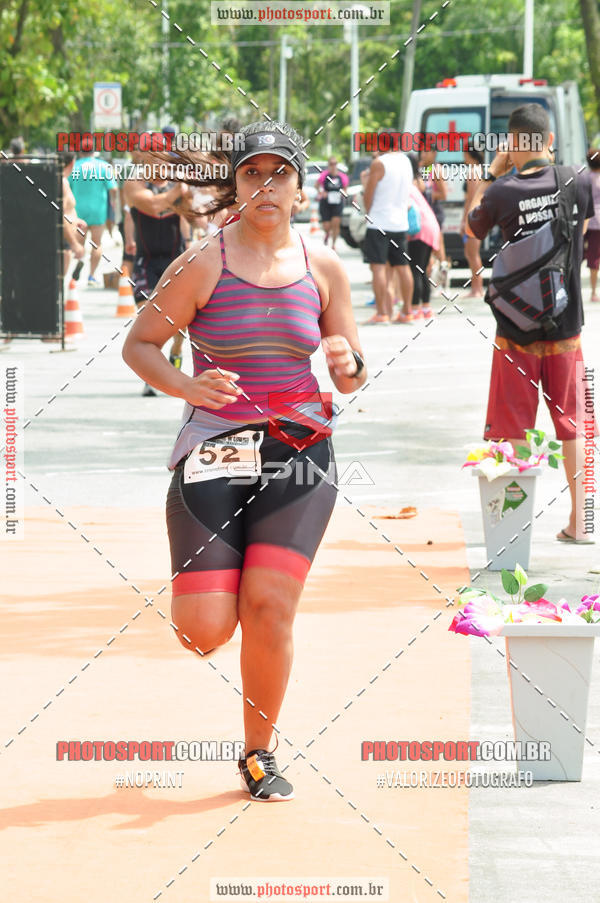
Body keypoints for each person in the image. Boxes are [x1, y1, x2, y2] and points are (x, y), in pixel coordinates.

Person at [122, 120, 367, 801]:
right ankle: (210, 586)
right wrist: (186, 384)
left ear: (298, 186)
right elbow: (140, 344)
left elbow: (349, 369)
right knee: (203, 630)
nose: (267, 185)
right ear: (237, 182)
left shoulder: (324, 268)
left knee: (269, 606)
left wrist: (349, 363)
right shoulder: (204, 263)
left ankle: (259, 752)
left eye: (280, 173)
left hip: (300, 451)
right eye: (254, 172)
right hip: (215, 450)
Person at [467, 102, 596, 543]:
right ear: (551, 141)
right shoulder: (576, 180)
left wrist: (494, 171)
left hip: (514, 333)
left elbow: (472, 230)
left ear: (512, 144)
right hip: (566, 328)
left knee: (509, 430)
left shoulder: (501, 192)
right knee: (573, 425)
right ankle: (582, 522)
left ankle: (508, 532)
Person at [122, 153, 191, 394]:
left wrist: (191, 236)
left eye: (163, 161)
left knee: (179, 323)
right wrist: (177, 192)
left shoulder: (179, 186)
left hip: (175, 260)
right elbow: (150, 205)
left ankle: (176, 352)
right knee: (146, 316)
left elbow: (191, 214)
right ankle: (151, 375)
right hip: (145, 261)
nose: (159, 166)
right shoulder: (134, 184)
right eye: (153, 161)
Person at [362, 134, 414, 324]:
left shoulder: (379, 163)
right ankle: (407, 311)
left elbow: (369, 192)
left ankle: (382, 313)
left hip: (379, 222)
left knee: (378, 268)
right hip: (400, 222)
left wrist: (367, 210)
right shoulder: (406, 161)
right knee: (403, 267)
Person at [69, 137, 117, 286]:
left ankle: (77, 269)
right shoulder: (103, 166)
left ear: (80, 151)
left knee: (79, 244)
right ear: (93, 151)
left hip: (78, 211)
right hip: (98, 210)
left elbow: (66, 187)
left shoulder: (74, 167)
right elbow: (113, 189)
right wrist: (113, 203)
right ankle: (91, 276)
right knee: (97, 244)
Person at [405, 155, 441, 322]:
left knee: (415, 270)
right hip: (430, 226)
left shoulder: (407, 184)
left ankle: (415, 308)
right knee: (422, 269)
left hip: (420, 229)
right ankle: (426, 307)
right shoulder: (418, 181)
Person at [461, 142, 485, 298]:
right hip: (478, 215)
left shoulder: (473, 172)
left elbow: (471, 198)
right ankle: (476, 286)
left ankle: (477, 288)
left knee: (472, 253)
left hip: (473, 215)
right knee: (471, 253)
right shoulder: (480, 170)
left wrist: (465, 220)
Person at [317, 157, 349, 250]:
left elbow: (345, 189)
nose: (333, 166)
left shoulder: (342, 176)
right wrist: (321, 193)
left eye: (335, 163)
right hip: (326, 203)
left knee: (336, 223)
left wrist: (342, 194)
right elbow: (317, 186)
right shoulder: (324, 175)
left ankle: (333, 244)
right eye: (331, 164)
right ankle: (327, 233)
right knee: (326, 225)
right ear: (328, 165)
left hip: (337, 203)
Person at [583, 147, 600, 303]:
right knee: (595, 258)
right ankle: (594, 292)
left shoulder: (584, 178)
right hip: (598, 224)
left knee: (577, 255)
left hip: (584, 220)